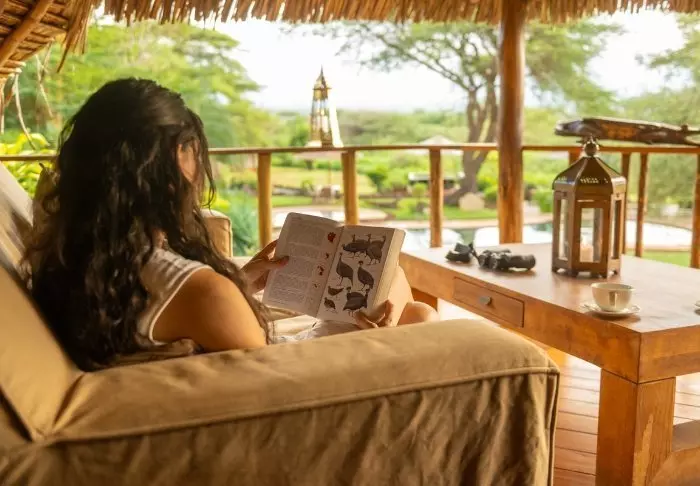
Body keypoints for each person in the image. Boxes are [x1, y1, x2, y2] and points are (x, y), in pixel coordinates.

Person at [25, 78, 438, 371]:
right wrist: (370, 342)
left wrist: (238, 283)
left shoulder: (75, 256)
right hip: (304, 380)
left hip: (256, 365)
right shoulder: (198, 290)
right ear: (168, 166)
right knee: (418, 316)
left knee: (403, 296)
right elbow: (274, 382)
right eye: (191, 151)